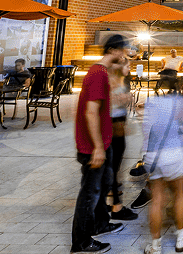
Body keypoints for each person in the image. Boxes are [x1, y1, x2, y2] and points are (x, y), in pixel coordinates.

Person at [71, 35, 126, 254]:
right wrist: (97, 147)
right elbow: (91, 112)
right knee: (89, 193)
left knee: (103, 185)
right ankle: (81, 242)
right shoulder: (96, 74)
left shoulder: (103, 73)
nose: (125, 55)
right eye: (123, 51)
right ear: (113, 50)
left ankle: (101, 224)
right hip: (93, 146)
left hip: (104, 141)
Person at [141, 76, 183, 254]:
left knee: (157, 200)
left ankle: (155, 245)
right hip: (174, 153)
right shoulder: (182, 102)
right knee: (181, 194)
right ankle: (182, 237)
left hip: (152, 155)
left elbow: (146, 130)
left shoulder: (151, 102)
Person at [107, 56, 137, 222]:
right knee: (113, 167)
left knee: (115, 167)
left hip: (120, 125)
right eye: (128, 65)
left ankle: (110, 200)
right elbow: (111, 102)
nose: (130, 68)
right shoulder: (112, 82)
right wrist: (123, 99)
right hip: (113, 127)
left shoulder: (123, 80)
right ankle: (116, 207)